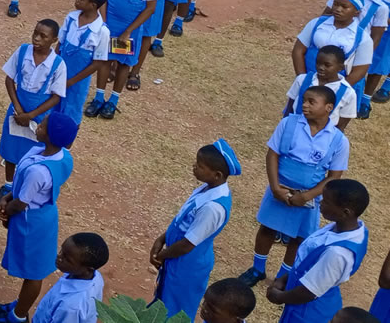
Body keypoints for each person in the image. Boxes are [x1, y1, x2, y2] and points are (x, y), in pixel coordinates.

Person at [238, 86, 349, 287]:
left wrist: (306, 196)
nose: (304, 105)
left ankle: (283, 276)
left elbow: (334, 176)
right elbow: (272, 154)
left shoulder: (339, 140)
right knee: (268, 227)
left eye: (311, 102)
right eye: (304, 100)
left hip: (310, 196)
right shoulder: (288, 123)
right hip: (280, 187)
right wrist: (275, 188)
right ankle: (257, 269)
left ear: (328, 107)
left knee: (299, 236)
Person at [0, 112, 79, 323]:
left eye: (43, 126)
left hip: (32, 222)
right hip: (42, 215)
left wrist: (6, 209)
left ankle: (18, 316)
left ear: (52, 137)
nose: (38, 127)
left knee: (34, 273)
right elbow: (23, 188)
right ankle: (19, 305)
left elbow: (21, 203)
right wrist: (7, 196)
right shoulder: (58, 155)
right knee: (32, 269)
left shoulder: (39, 171)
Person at [152, 140, 241, 321]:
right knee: (164, 301)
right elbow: (182, 220)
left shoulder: (213, 208)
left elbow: (187, 244)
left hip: (187, 265)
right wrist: (161, 239)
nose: (194, 167)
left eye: (200, 166)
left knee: (176, 311)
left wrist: (161, 256)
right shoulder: (207, 188)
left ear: (217, 175)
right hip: (177, 258)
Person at [263, 179, 370, 323]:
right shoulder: (351, 229)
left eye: (326, 202)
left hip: (307, 313)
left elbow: (309, 291)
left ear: (345, 212)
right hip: (302, 304)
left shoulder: (337, 254)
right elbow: (309, 266)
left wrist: (279, 297)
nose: (320, 203)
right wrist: (284, 278)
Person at [0, 20, 67, 189]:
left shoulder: (58, 64)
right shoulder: (22, 52)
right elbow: (9, 79)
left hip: (40, 116)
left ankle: (23, 187)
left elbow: (56, 98)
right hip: (17, 110)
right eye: (35, 33)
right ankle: (8, 185)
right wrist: (18, 108)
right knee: (11, 146)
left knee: (34, 149)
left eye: (43, 36)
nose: (36, 38)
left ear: (54, 40)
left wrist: (30, 115)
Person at [23, 233, 108, 323]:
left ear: (88, 269)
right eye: (61, 251)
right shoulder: (95, 276)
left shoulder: (70, 308)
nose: (59, 257)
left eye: (67, 260)